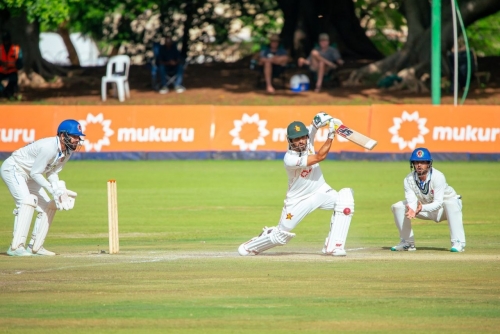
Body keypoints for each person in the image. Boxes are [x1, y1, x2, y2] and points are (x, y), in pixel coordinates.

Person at [238, 112, 355, 257]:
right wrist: (331, 135)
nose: (300, 141)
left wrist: (326, 120)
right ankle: (253, 244)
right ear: (289, 140)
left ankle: (334, 247)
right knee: (281, 236)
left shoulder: (308, 140)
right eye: (296, 139)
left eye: (302, 137)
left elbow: (315, 124)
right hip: (298, 200)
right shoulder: (289, 159)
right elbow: (320, 157)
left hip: (321, 191)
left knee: (345, 201)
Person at [1, 120, 84, 256]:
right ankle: (16, 247)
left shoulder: (67, 152)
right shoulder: (49, 147)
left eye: (78, 137)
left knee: (47, 206)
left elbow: (52, 172)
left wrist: (59, 190)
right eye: (74, 136)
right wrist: (51, 190)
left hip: (32, 175)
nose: (77, 140)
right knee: (26, 202)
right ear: (63, 136)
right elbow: (36, 172)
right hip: (15, 169)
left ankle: (35, 246)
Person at [390, 148, 466, 253]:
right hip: (425, 208)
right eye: (416, 162)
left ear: (429, 163)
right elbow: (411, 200)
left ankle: (458, 242)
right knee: (398, 207)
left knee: (450, 203)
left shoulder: (438, 176)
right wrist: (412, 209)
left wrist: (421, 208)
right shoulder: (408, 179)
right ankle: (407, 243)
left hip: (444, 210)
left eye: (422, 162)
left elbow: (439, 203)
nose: (419, 165)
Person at [0, 31, 23, 99]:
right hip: (1, 71)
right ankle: (2, 92)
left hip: (12, 71)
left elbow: (20, 64)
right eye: (4, 40)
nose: (6, 42)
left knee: (13, 81)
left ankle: (9, 93)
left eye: (7, 40)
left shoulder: (16, 49)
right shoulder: (0, 49)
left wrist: (16, 64)